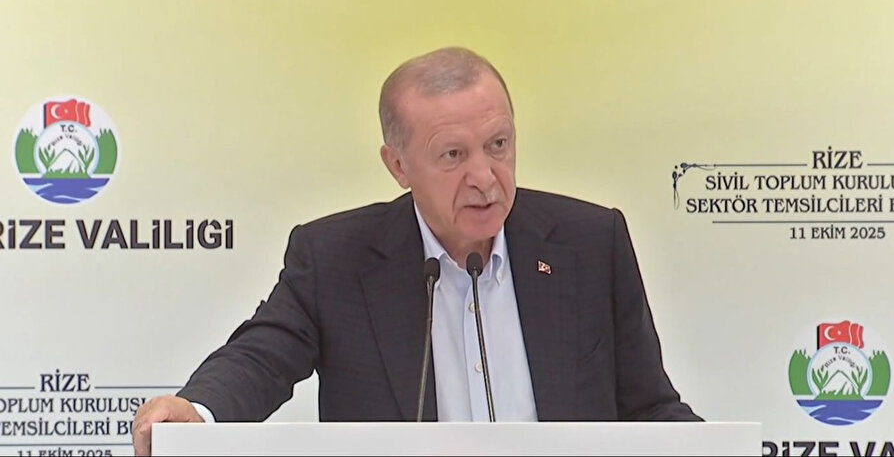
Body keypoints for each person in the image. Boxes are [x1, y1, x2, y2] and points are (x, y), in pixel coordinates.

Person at [131, 47, 701, 456]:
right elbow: (262, 356)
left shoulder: (589, 242)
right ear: (398, 166)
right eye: (453, 155)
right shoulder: (336, 258)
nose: (486, 178)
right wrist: (196, 413)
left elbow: (649, 408)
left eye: (498, 144)